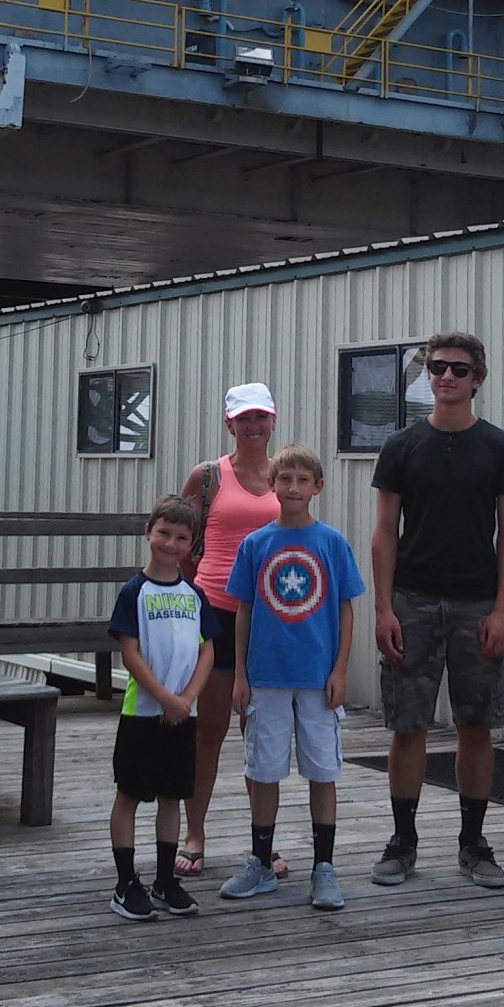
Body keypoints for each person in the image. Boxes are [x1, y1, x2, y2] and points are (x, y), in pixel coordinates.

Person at [370, 331, 504, 890]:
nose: (447, 377)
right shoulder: (400, 446)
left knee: (476, 726)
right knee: (407, 725)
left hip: (477, 603)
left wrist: (503, 609)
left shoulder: (500, 447)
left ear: (477, 379)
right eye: (438, 367)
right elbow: (384, 531)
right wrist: (383, 608)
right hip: (411, 601)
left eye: (459, 369)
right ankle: (402, 842)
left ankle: (473, 844)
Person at [218, 444, 365, 911]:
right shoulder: (255, 544)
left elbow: (345, 609)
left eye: (303, 480)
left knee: (323, 770)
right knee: (263, 771)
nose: (293, 488)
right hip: (266, 677)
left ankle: (324, 867)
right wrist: (240, 674)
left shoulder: (332, 543)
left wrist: (340, 668)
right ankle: (261, 863)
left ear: (318, 487)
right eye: (285, 479)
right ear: (272, 485)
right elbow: (244, 611)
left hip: (318, 679)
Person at [175, 383, 282, 879]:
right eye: (243, 419)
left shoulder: (285, 474)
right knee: (210, 730)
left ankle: (263, 842)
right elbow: (178, 540)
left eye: (260, 417)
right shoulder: (208, 476)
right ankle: (194, 833)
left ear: (273, 420)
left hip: (272, 617)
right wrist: (187, 599)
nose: (253, 427)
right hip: (216, 611)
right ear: (229, 424)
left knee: (261, 735)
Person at [107, 494, 219, 921]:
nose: (171, 544)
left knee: (172, 795)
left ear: (192, 544)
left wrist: (186, 699)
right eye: (164, 533)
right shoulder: (133, 592)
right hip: (142, 713)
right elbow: (130, 653)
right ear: (148, 532)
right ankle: (125, 883)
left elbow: (207, 651)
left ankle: (165, 880)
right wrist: (165, 698)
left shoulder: (194, 594)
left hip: (183, 715)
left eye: (181, 538)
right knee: (130, 794)